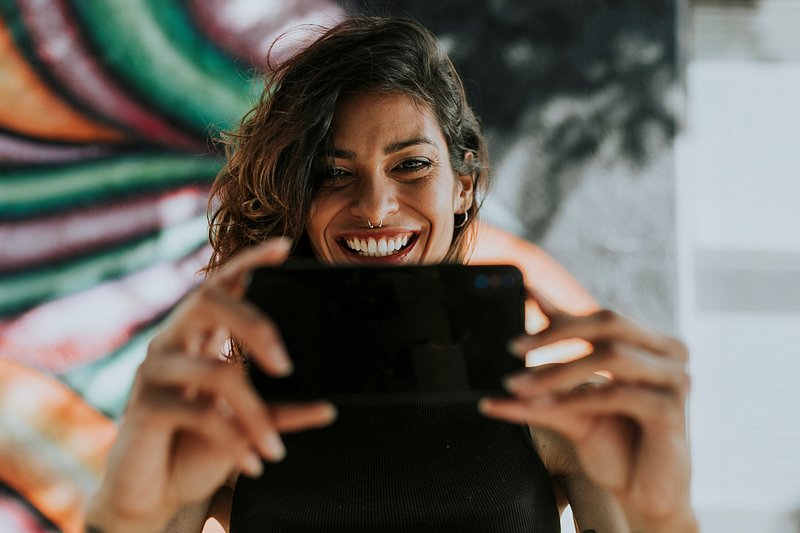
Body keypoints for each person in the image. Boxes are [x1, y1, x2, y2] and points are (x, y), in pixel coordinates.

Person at [84, 16, 696, 533]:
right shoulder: (230, 417)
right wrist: (124, 509)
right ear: (299, 197)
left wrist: (662, 513)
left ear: (463, 185)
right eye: (334, 173)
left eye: (411, 166)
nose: (375, 207)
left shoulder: (561, 418)